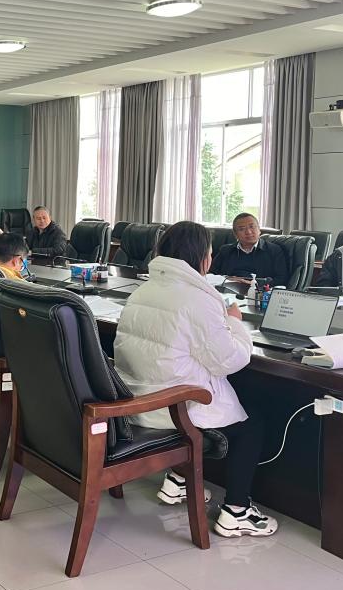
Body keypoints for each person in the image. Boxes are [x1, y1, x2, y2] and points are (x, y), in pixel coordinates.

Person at [113, 221, 277, 538]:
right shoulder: (198, 298)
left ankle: (178, 480)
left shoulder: (143, 290)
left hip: (137, 400)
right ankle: (237, 512)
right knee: (251, 425)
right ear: (202, 256)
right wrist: (234, 323)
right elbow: (231, 360)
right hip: (173, 409)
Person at [209, 213, 288, 286]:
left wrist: (255, 283)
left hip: (259, 292)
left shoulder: (274, 250)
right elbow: (210, 274)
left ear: (259, 230)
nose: (248, 232)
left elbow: (282, 279)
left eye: (252, 227)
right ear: (235, 234)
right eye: (242, 229)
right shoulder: (226, 251)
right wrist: (227, 279)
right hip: (228, 290)